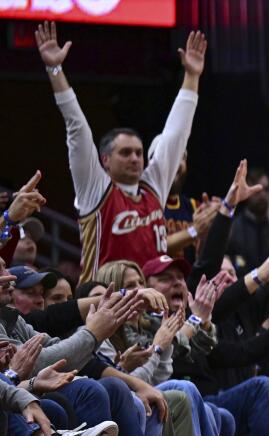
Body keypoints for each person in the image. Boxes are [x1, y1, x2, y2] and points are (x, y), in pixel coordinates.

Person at [35, 21, 207, 282]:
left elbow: (176, 134)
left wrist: (192, 76)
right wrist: (54, 69)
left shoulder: (152, 189)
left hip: (150, 305)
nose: (136, 158)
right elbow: (77, 128)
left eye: (138, 152)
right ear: (105, 161)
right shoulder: (95, 191)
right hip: (103, 305)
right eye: (125, 153)